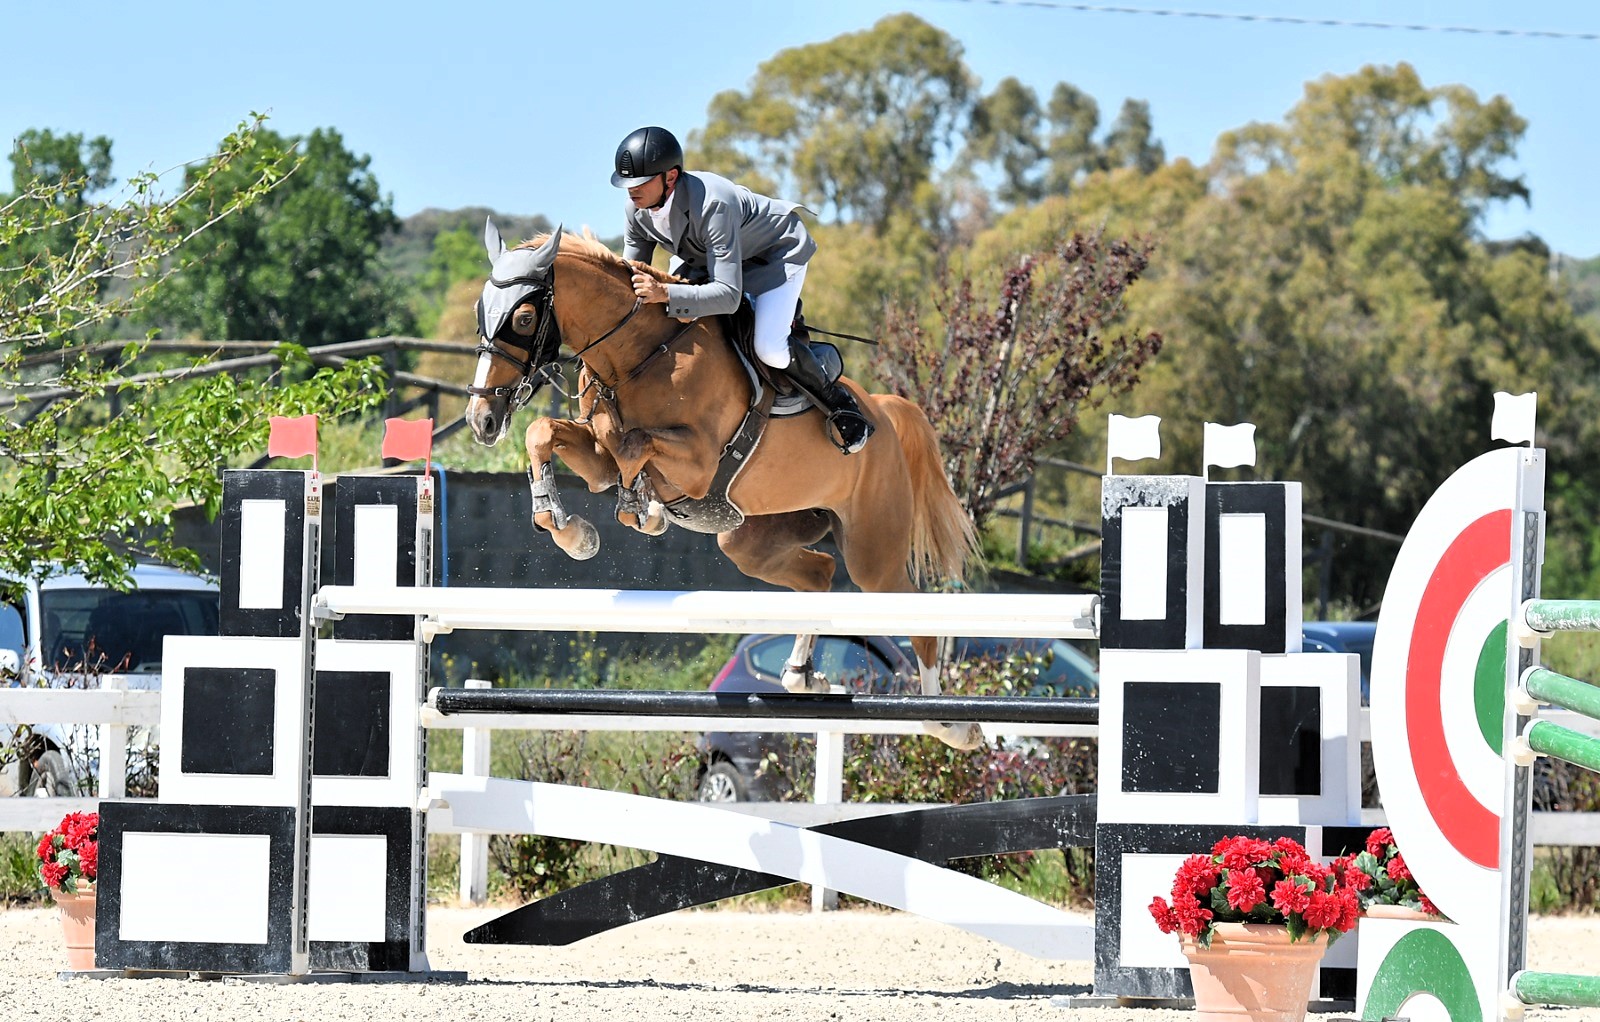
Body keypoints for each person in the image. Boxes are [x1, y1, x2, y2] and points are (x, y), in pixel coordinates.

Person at [611, 125, 873, 454]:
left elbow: (728, 296)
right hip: (710, 260)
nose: (631, 192)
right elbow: (630, 275)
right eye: (627, 184)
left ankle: (841, 405)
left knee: (769, 348)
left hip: (773, 256)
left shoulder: (713, 204)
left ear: (671, 178)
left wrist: (666, 294)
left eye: (640, 183)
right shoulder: (635, 210)